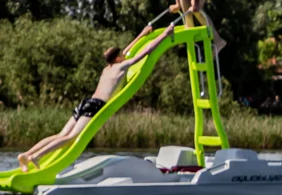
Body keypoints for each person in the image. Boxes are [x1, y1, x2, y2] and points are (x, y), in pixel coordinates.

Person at [15, 22, 177, 170]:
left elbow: (127, 50)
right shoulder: (122, 66)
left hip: (85, 102)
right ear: (118, 58)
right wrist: (165, 35)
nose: (125, 54)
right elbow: (146, 50)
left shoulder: (108, 68)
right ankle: (36, 157)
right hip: (95, 105)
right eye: (122, 54)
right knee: (72, 138)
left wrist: (142, 34)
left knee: (60, 135)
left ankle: (26, 155)